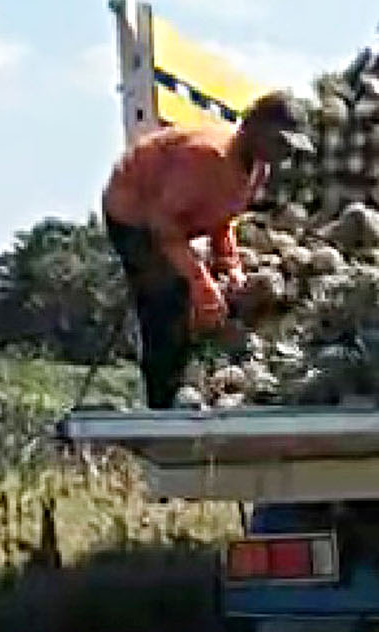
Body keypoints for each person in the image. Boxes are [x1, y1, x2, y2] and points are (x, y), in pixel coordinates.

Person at [102, 91, 313, 407]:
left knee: (210, 293)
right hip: (135, 213)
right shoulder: (206, 157)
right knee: (167, 298)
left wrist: (230, 266)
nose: (285, 153)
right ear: (254, 128)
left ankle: (196, 377)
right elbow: (162, 223)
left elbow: (222, 217)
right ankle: (163, 400)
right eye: (280, 142)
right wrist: (198, 282)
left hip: (170, 218)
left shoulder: (258, 170)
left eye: (291, 148)